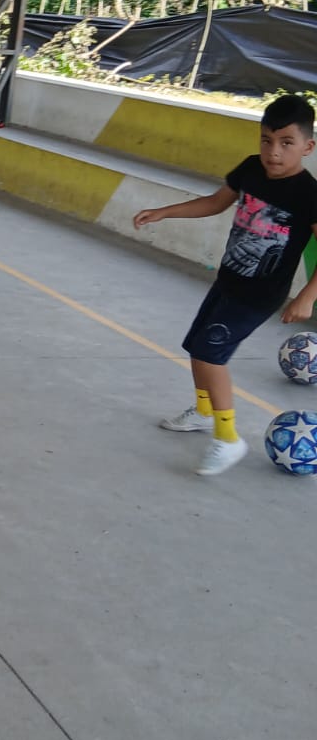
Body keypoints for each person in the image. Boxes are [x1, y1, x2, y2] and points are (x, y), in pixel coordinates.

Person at [133, 94, 317, 476]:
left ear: (308, 146)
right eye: (266, 140)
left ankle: (228, 438)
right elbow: (216, 202)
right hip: (229, 279)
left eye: (286, 143)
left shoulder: (309, 194)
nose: (274, 152)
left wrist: (306, 297)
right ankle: (204, 412)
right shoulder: (251, 168)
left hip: (259, 295)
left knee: (209, 354)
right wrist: (165, 212)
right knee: (196, 347)